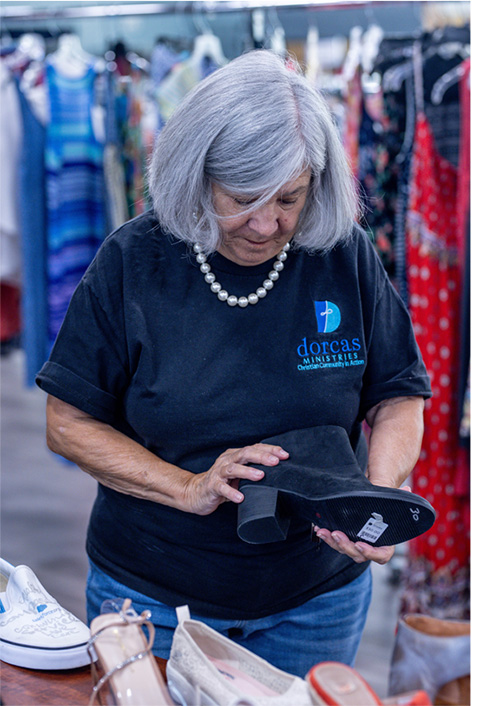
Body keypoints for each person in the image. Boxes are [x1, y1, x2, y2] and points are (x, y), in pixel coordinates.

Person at [36, 50, 431, 677]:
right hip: (157, 600)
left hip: (317, 600)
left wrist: (370, 496)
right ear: (199, 174)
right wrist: (188, 488)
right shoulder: (135, 261)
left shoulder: (341, 255)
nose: (266, 223)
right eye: (244, 197)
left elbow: (398, 395)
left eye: (290, 199)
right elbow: (68, 423)